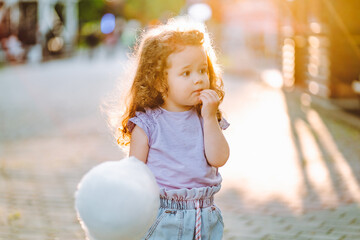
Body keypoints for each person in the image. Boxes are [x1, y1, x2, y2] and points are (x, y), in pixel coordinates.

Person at [106, 16, 230, 240]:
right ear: (160, 81)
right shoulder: (147, 124)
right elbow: (134, 176)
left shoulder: (205, 116)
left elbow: (219, 158)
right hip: (162, 217)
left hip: (205, 216)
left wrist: (210, 117)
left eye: (202, 70)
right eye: (186, 73)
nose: (199, 79)